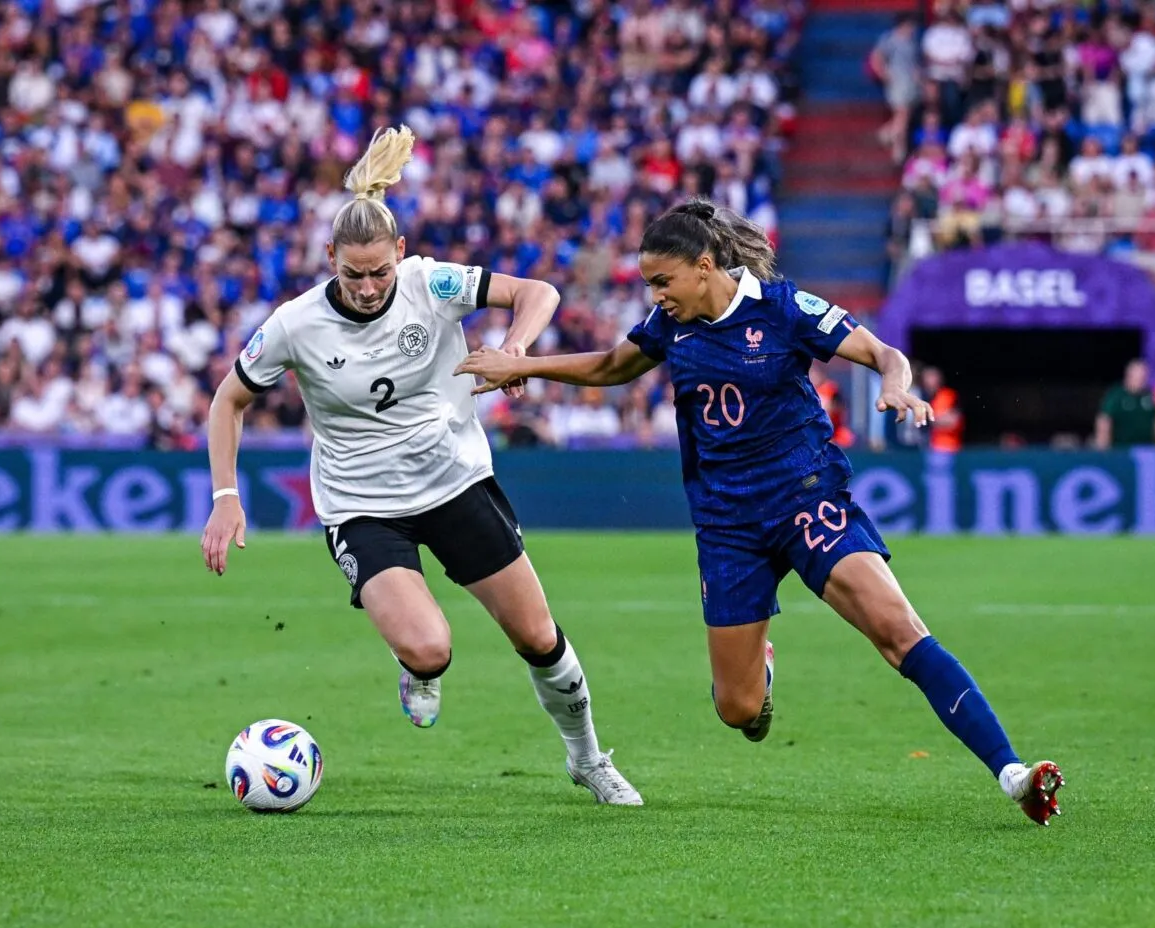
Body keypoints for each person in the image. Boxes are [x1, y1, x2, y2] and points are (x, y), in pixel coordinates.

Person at [456, 198, 1064, 826]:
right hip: (727, 525)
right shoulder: (673, 325)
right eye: (648, 285)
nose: (655, 296)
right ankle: (760, 675)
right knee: (739, 711)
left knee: (899, 632)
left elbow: (884, 352)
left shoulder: (782, 307)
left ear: (704, 265)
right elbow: (614, 366)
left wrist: (893, 383)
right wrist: (522, 364)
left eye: (663, 282)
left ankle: (1013, 773)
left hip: (806, 496)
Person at [200, 126, 641, 806]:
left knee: (536, 634)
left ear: (399, 253)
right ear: (330, 260)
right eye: (355, 273)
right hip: (362, 506)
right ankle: (418, 669)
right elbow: (227, 401)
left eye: (381, 270)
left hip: (456, 481)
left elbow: (540, 292)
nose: (371, 285)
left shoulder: (430, 281)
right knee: (431, 647)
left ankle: (587, 757)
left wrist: (515, 350)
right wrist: (226, 494)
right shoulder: (294, 324)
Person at [1095, 359, 1155, 448]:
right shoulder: (1116, 395)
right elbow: (1104, 420)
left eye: (1144, 377)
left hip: (1146, 450)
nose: (1142, 381)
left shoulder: (1150, 395)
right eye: (1139, 377)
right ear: (1129, 376)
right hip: (1121, 450)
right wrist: (1103, 447)